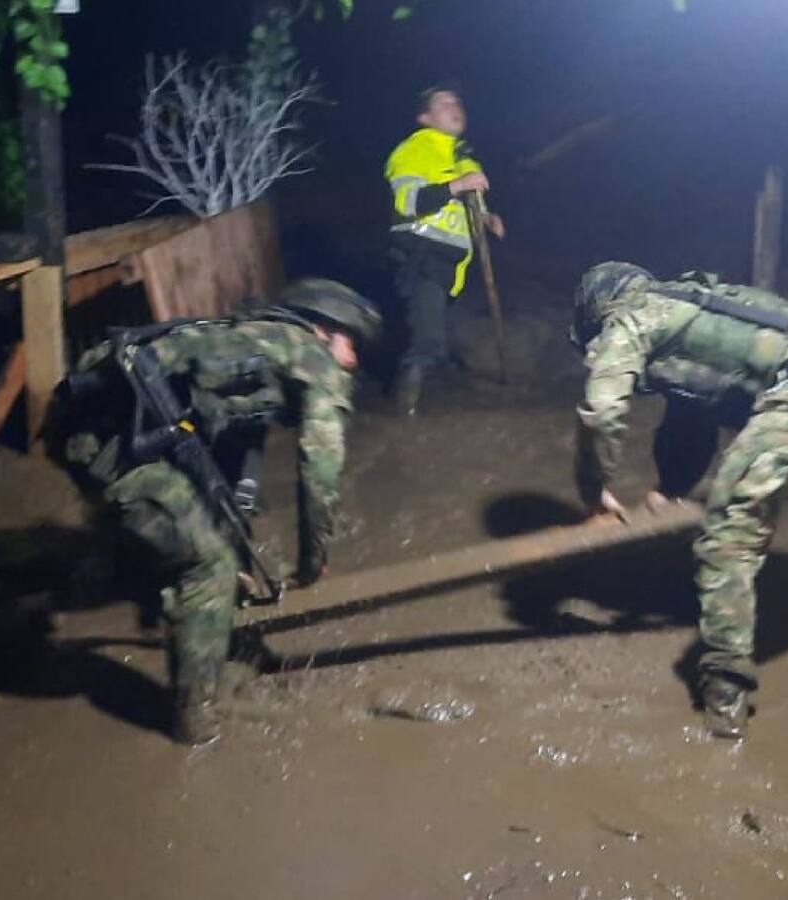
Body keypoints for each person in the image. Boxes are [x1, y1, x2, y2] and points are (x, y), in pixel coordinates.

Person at [47, 280, 382, 745]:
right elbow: (321, 471)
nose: (354, 361)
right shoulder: (313, 359)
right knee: (209, 567)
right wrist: (312, 558)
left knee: (191, 528)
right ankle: (195, 717)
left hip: (81, 425)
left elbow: (229, 456)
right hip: (115, 449)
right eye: (352, 345)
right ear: (325, 330)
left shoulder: (253, 338)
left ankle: (116, 568)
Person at [570, 262, 788, 740]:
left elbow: (601, 411)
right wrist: (671, 491)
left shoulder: (631, 318)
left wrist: (593, 493)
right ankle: (711, 608)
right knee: (694, 421)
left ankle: (726, 698)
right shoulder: (680, 305)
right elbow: (691, 410)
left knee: (729, 534)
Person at [384, 85, 505, 415]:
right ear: (425, 117)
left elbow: (469, 210)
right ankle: (401, 411)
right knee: (428, 340)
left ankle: (439, 391)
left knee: (442, 333)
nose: (456, 107)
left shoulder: (465, 157)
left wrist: (487, 218)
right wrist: (459, 185)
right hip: (420, 256)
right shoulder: (413, 151)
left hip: (453, 264)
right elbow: (408, 203)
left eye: (458, 101)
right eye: (445, 103)